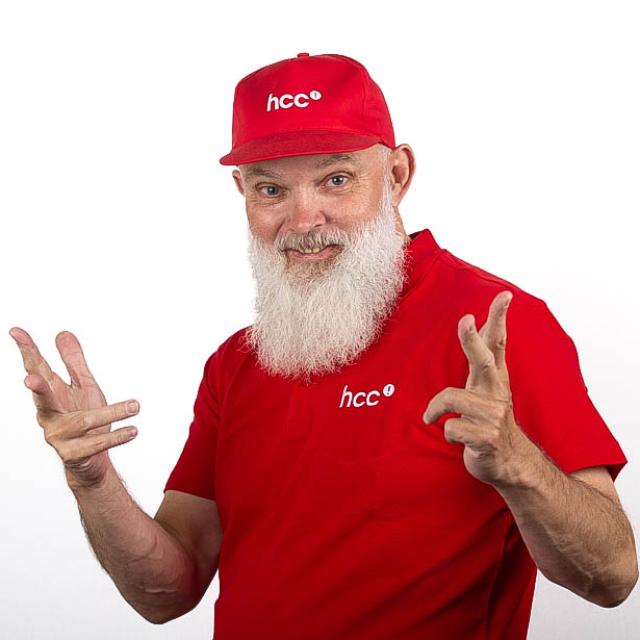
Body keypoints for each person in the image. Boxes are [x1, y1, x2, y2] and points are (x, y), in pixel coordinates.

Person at [10, 52, 637, 639]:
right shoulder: (238, 362)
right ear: (243, 193)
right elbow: (166, 593)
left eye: (335, 179)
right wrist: (92, 479)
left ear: (397, 175)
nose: (303, 220)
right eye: (271, 190)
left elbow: (612, 577)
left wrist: (519, 466)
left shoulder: (495, 326)